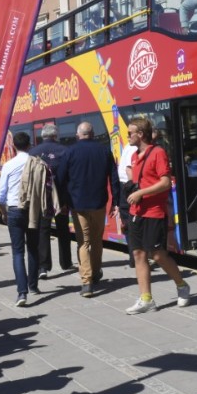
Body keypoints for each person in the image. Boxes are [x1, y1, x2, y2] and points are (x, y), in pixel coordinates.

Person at [124, 117, 190, 314]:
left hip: (154, 212)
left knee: (158, 254)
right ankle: (146, 299)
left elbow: (165, 182)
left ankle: (181, 285)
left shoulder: (158, 153)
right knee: (138, 254)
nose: (127, 136)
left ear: (141, 134)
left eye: (130, 133)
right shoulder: (135, 156)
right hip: (137, 212)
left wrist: (140, 193)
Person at [55, 122, 121, 297]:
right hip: (99, 202)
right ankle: (96, 272)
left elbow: (60, 179)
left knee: (83, 242)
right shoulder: (104, 150)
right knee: (96, 240)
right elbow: (114, 178)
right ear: (93, 134)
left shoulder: (70, 152)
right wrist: (116, 201)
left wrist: (62, 202)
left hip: (77, 205)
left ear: (78, 135)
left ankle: (87, 282)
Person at [0, 131, 39, 306]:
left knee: (18, 251)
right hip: (33, 210)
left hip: (14, 209)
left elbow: (1, 192)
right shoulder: (37, 163)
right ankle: (34, 285)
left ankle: (22, 293)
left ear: (14, 145)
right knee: (33, 248)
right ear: (29, 145)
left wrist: (2, 211)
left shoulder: (9, 165)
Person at [28, 124, 74, 276]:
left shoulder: (33, 152)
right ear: (56, 135)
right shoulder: (65, 150)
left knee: (43, 230)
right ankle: (66, 262)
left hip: (42, 197)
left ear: (42, 135)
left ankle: (43, 267)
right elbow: (69, 177)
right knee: (63, 229)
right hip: (61, 196)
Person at [117, 141, 138, 269]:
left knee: (128, 225)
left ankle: (133, 258)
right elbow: (129, 169)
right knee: (133, 224)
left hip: (124, 186)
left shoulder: (127, 147)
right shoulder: (134, 149)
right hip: (129, 187)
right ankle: (135, 258)